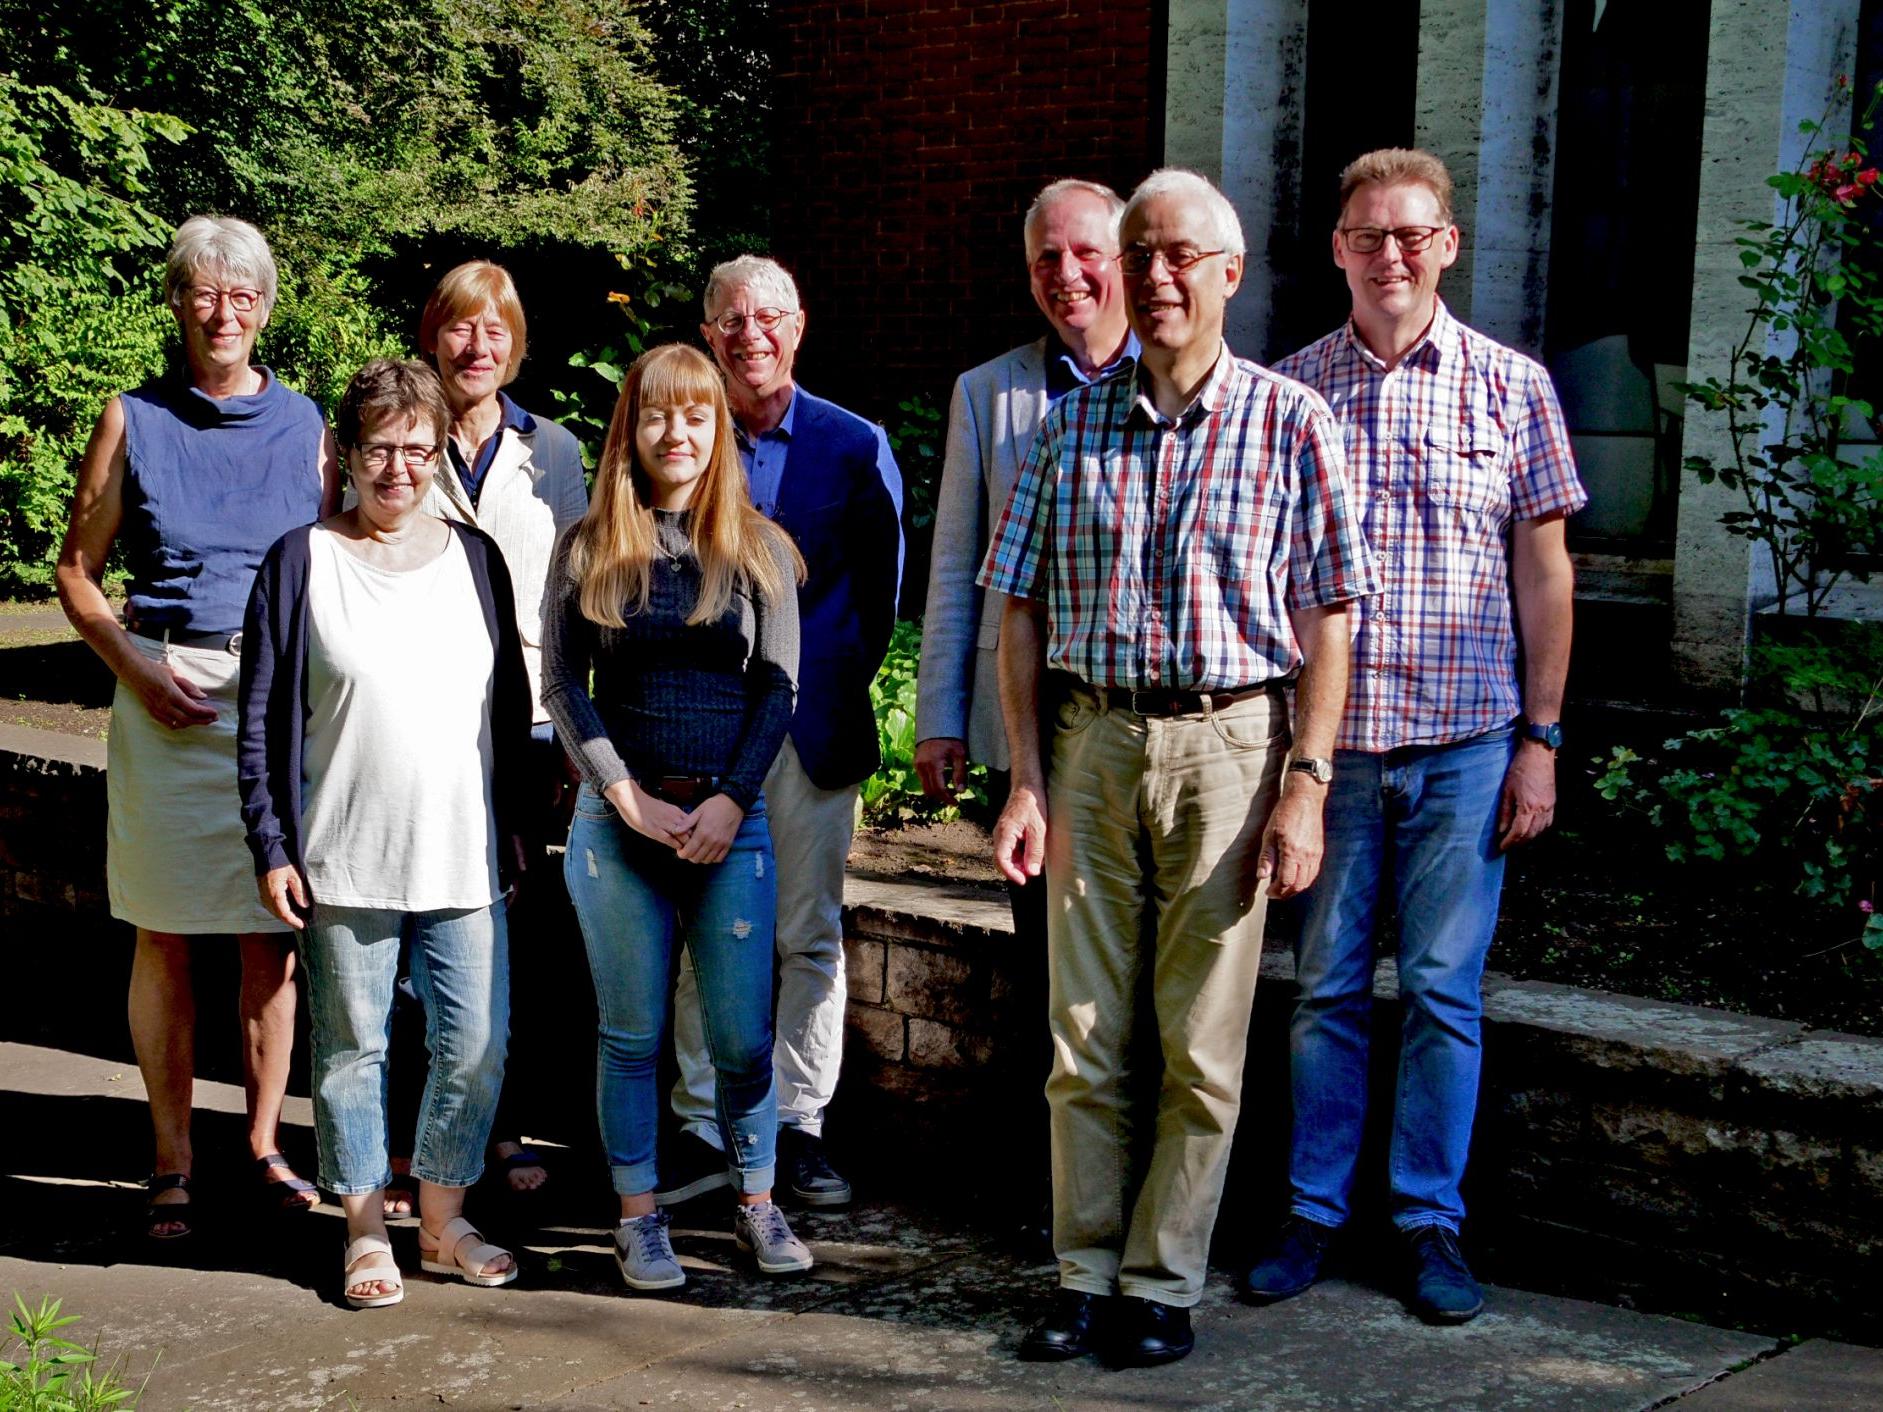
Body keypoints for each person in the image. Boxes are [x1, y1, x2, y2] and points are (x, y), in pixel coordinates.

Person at [979, 169, 1376, 1366]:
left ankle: (1161, 1281)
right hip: (1091, 740)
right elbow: (1017, 613)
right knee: (1081, 1036)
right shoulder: (1069, 425)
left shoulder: (1290, 420)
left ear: (1228, 273)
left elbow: (1331, 620)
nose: (1153, 276)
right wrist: (1025, 779)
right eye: (1138, 253)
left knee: (1201, 1041)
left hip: (1230, 745)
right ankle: (1083, 1271)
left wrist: (1304, 782)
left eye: (1177, 256)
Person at [1246, 147, 1585, 1325]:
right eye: (1366, 234)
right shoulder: (1287, 395)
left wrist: (1540, 738)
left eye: (1411, 233)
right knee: (1325, 986)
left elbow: (1544, 576)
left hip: (1466, 745)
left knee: (1442, 988)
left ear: (1445, 245)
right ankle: (1310, 1211)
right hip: (1332, 753)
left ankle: (1427, 1221)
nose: (1388, 253)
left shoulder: (1510, 386)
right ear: (1337, 249)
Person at [54, 215, 338, 1240]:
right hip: (164, 694)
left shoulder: (309, 423)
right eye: (204, 293)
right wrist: (133, 663)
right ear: (177, 302)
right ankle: (170, 1152)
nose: (225, 312)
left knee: (275, 933)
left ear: (267, 306)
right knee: (165, 930)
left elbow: (338, 567)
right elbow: (76, 573)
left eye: (244, 294)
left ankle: (263, 1145)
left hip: (275, 702)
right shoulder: (130, 418)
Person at [238, 358, 531, 1309]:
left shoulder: (476, 560)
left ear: (438, 450)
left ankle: (443, 1219)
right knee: (351, 1050)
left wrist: (519, 829)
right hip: (345, 857)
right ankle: (365, 1228)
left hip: (465, 855)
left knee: (475, 1041)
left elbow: (509, 711)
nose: (398, 469)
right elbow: (262, 721)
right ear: (347, 455)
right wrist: (272, 843)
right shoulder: (301, 561)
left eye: (417, 448)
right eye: (379, 450)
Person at [542, 343, 811, 1289]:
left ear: (718, 429)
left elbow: (778, 693)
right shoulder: (587, 546)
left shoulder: (760, 549)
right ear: (632, 428)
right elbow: (563, 689)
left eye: (695, 415)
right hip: (621, 831)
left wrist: (732, 803)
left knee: (741, 1036)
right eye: (657, 414)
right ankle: (638, 1216)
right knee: (631, 1036)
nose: (677, 433)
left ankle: (756, 1202)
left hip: (727, 828)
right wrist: (623, 795)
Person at [914, 178, 1135, 1235]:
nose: (1066, 276)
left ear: (1127, 257)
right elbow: (957, 563)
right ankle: (1058, 1190)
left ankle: (1139, 1188)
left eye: (1084, 253)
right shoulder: (987, 392)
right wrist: (940, 715)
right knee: (1047, 969)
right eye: (1045, 258)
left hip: (1152, 727)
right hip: (1028, 733)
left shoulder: (1185, 383)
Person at [659, 256, 903, 1211]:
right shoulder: (681, 440)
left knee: (806, 937)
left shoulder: (855, 445)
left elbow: (877, 602)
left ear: (798, 327)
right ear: (708, 332)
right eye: (729, 319)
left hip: (808, 737)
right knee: (700, 934)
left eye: (768, 317)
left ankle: (798, 1124)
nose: (749, 333)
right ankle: (698, 1123)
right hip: (701, 741)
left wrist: (814, 689)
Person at [414, 259, 590, 1201]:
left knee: (508, 936)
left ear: (517, 347)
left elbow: (575, 601)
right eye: (459, 327)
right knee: (417, 931)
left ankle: (503, 1124)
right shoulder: (397, 439)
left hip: (521, 729)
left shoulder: (553, 453)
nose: (476, 347)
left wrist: (572, 730)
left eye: (495, 332)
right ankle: (418, 1139)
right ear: (431, 334)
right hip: (418, 727)